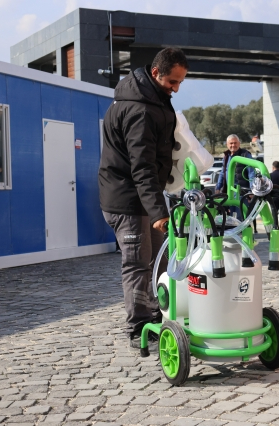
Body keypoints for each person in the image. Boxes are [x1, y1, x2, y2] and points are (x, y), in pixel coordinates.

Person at [98, 48, 188, 351]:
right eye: (172, 82)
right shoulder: (140, 110)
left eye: (180, 83)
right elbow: (142, 167)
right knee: (138, 263)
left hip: (143, 198)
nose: (175, 88)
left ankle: (160, 317)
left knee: (159, 259)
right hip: (127, 200)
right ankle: (139, 328)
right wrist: (158, 212)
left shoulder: (153, 99)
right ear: (155, 73)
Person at [215, 134, 255, 223]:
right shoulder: (226, 156)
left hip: (241, 192)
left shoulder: (245, 154)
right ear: (227, 144)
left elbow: (251, 171)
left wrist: (252, 189)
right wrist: (218, 188)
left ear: (239, 143)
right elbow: (222, 173)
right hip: (229, 193)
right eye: (231, 143)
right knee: (232, 217)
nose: (233, 145)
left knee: (241, 216)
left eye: (235, 143)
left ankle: (244, 234)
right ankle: (236, 234)